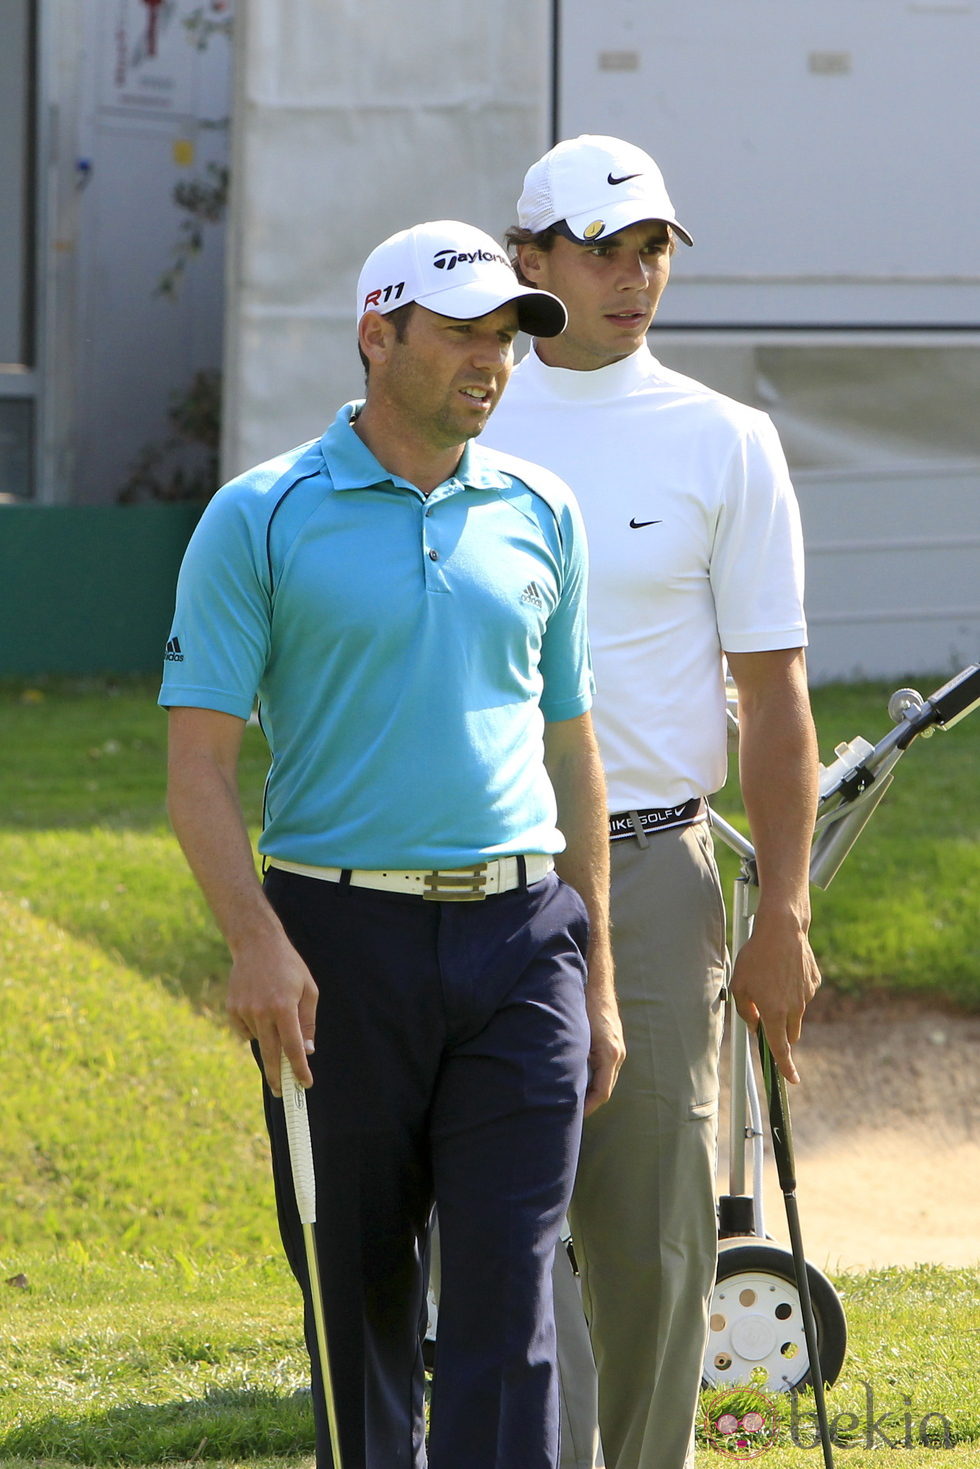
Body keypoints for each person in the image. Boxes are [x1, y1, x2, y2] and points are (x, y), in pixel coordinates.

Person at [160, 218, 625, 1469]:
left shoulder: (545, 511)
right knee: (353, 1300)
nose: (494, 360)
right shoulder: (259, 516)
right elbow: (197, 769)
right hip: (335, 942)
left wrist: (602, 978)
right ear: (380, 333)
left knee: (505, 1301)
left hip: (523, 943)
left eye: (508, 338)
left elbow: (572, 749)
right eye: (466, 332)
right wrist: (254, 943)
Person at [480, 136, 822, 1469]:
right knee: (498, 1219)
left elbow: (776, 695)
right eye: (604, 251)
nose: (634, 279)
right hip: (475, 867)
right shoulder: (463, 421)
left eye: (654, 251)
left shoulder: (724, 442)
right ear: (530, 259)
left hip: (659, 871)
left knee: (654, 1228)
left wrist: (783, 908)